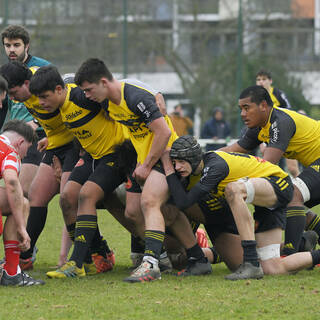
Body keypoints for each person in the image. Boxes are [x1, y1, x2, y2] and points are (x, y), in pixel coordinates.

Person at [74, 58, 210, 282]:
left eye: (89, 90)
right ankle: (196, 258)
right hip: (144, 159)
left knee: (150, 202)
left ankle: (151, 264)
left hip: (166, 156)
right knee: (135, 212)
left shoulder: (135, 97)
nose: (87, 95)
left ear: (104, 82)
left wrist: (147, 164)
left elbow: (164, 133)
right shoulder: (108, 103)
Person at [161, 135, 320, 280]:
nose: (177, 167)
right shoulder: (190, 176)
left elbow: (183, 202)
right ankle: (305, 246)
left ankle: (251, 262)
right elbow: (181, 202)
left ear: (194, 158)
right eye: (174, 163)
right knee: (272, 268)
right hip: (262, 204)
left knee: (233, 189)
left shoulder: (215, 165)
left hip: (278, 183)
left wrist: (167, 170)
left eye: (181, 162)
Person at [220, 85, 320, 257]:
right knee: (283, 200)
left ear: (264, 106)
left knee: (293, 194)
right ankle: (305, 245)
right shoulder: (258, 128)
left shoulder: (280, 122)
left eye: (246, 108)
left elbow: (265, 166)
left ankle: (290, 255)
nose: (242, 114)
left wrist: (239, 184)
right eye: (240, 109)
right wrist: (205, 158)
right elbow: (233, 149)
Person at [0, 61, 81, 271]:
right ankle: (24, 254)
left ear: (27, 83)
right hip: (55, 144)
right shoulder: (26, 95)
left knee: (68, 198)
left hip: (74, 144)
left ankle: (92, 254)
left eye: (13, 92)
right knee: (35, 195)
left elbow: (70, 93)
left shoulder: (41, 84)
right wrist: (51, 140)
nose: (11, 98)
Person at [1, 25, 51, 197]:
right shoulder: (5, 72)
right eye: (7, 46)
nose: (11, 50)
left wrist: (36, 122)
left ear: (26, 45)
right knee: (15, 192)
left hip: (36, 136)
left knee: (24, 192)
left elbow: (56, 101)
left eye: (16, 45)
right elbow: (5, 107)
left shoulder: (42, 69)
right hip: (12, 138)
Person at [0, 119, 44, 286]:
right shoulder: (10, 152)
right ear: (20, 143)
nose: (26, 154)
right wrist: (21, 227)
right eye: (28, 147)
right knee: (22, 203)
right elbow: (11, 183)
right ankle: (11, 272)